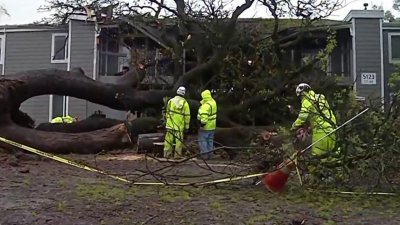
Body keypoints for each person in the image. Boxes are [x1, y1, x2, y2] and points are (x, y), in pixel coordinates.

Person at [290, 83, 338, 163]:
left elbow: (302, 118)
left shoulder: (307, 101)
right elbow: (322, 114)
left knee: (317, 157)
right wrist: (311, 127)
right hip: (333, 129)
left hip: (321, 131)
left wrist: (293, 127)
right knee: (333, 157)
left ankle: (319, 174)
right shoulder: (320, 97)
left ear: (302, 94)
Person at [163, 86, 191, 159]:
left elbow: (167, 113)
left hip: (170, 124)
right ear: (184, 94)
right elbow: (187, 116)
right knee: (179, 142)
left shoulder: (170, 101)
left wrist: (167, 121)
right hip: (179, 125)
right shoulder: (185, 103)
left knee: (168, 140)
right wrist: (186, 127)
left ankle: (167, 154)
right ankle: (177, 155)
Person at [197, 89, 217, 160]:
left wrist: (201, 125)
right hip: (212, 126)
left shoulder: (205, 106)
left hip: (206, 126)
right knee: (210, 141)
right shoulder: (213, 102)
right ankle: (210, 155)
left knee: (203, 141)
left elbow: (204, 118)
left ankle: (204, 156)